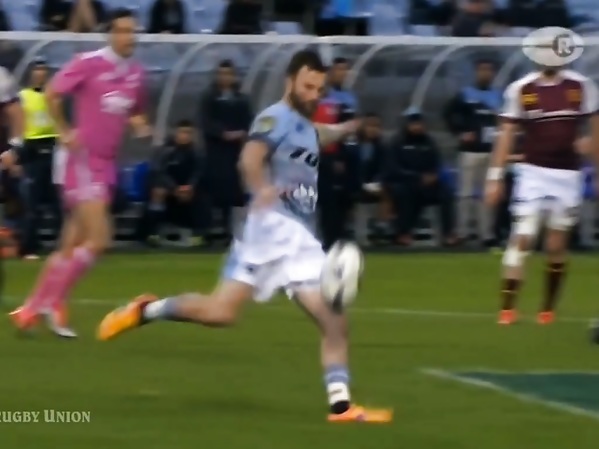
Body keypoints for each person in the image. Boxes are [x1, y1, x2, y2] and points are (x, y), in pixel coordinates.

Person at [97, 49, 392, 423]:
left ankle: (341, 407)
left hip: (301, 239)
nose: (313, 95)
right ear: (290, 81)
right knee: (220, 314)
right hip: (267, 231)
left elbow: (321, 133)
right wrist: (261, 187)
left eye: (319, 89)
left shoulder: (305, 126)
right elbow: (249, 159)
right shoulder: (274, 118)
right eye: (307, 86)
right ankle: (147, 310)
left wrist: (347, 128)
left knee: (334, 320)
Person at [7, 8, 149, 338]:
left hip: (107, 163)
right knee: (100, 239)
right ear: (110, 34)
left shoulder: (136, 74)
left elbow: (135, 110)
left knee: (70, 245)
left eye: (133, 31)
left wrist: (140, 125)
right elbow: (53, 94)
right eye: (123, 30)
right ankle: (47, 303)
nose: (129, 37)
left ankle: (33, 309)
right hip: (83, 160)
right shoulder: (88, 63)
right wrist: (65, 130)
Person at [485, 66, 599, 326]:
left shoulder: (581, 86)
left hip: (568, 175)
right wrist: (495, 177)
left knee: (556, 245)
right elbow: (506, 134)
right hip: (532, 173)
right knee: (523, 236)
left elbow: (595, 129)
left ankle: (547, 309)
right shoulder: (521, 88)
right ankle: (508, 308)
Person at [444, 59, 502, 247]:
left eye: (489, 70)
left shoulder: (498, 96)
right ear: (476, 72)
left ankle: (487, 234)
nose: (486, 73)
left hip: (491, 151)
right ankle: (462, 232)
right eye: (482, 70)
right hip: (469, 151)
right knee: (465, 193)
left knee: (488, 194)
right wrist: (460, 132)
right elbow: (448, 114)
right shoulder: (465, 94)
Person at [200, 60, 252, 243]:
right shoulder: (209, 97)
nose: (225, 78)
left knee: (235, 192)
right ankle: (209, 231)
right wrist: (223, 134)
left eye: (228, 74)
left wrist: (243, 135)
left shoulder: (241, 99)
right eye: (221, 74)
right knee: (214, 190)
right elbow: (205, 122)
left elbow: (249, 121)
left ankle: (233, 231)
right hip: (215, 152)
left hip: (236, 152)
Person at [386, 109, 456, 246]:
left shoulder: (428, 142)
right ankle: (403, 232)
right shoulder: (398, 142)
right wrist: (417, 177)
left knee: (446, 193)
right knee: (406, 193)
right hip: (405, 182)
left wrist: (433, 176)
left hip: (427, 184)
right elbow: (393, 169)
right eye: (414, 124)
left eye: (419, 123)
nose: (417, 127)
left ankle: (448, 233)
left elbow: (436, 163)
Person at [19, 58, 63, 260]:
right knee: (32, 202)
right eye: (37, 70)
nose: (41, 73)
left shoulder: (54, 95)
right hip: (32, 147)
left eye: (44, 70)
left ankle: (62, 245)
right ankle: (29, 247)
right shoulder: (23, 96)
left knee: (58, 202)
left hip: (53, 146)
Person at [314, 57, 359, 250]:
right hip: (313, 157)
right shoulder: (310, 102)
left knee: (335, 201)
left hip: (333, 156)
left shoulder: (342, 101)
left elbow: (347, 129)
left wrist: (341, 156)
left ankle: (333, 240)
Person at [144, 120, 207, 246]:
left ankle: (199, 234)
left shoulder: (197, 152)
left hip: (187, 188)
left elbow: (199, 172)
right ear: (175, 133)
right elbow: (159, 171)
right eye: (182, 132)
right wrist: (174, 188)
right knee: (158, 192)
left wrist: (190, 186)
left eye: (189, 133)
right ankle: (152, 233)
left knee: (202, 194)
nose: (185, 136)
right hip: (168, 186)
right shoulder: (164, 150)